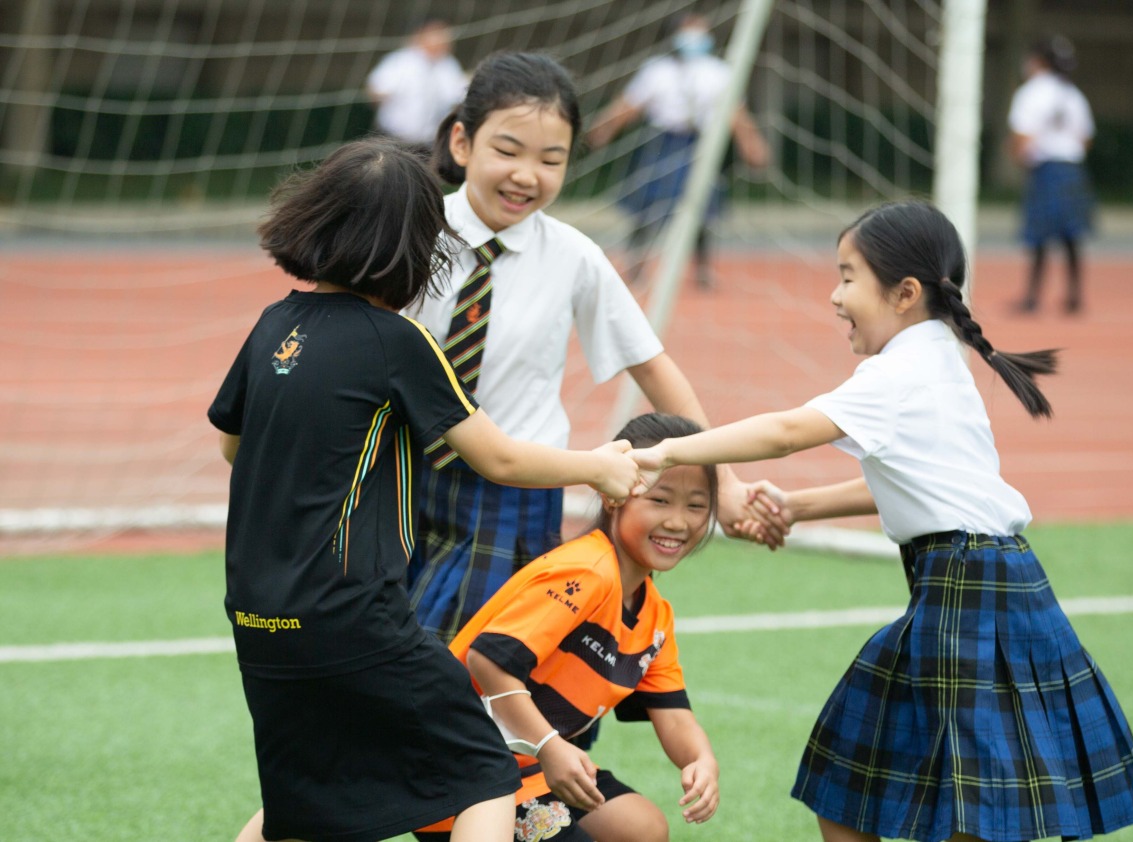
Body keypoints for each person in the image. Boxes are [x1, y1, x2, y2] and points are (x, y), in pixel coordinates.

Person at [630, 201, 1133, 842]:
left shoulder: (899, 373)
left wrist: (667, 451)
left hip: (968, 590)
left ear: (905, 293)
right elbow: (915, 484)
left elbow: (787, 431)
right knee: (855, 776)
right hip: (977, 583)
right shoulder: (939, 361)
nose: (835, 295)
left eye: (848, 276)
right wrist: (796, 506)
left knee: (962, 805)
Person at [210, 136, 645, 842]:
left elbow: (234, 447)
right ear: (415, 251)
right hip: (355, 617)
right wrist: (598, 467)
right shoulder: (398, 340)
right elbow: (499, 458)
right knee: (486, 774)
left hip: (259, 620)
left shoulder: (271, 327)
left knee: (301, 809)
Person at [403, 50, 785, 646]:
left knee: (494, 669)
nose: (527, 175)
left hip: (515, 497)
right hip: (399, 479)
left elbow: (653, 367)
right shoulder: (408, 231)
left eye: (550, 159)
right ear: (461, 142)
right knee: (386, 660)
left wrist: (724, 479)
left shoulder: (574, 256)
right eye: (508, 150)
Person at [415, 412, 720, 842]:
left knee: (642, 828)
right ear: (613, 496)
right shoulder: (587, 570)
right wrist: (548, 746)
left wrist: (701, 759)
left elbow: (674, 715)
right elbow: (488, 660)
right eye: (660, 499)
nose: (678, 521)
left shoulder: (655, 614)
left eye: (696, 506)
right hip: (460, 764)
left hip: (530, 764)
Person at [585, 12, 770, 289]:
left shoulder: (719, 72)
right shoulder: (656, 70)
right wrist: (603, 129)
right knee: (648, 206)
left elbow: (736, 113)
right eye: (688, 30)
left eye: (700, 30)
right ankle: (636, 262)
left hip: (700, 144)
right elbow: (628, 106)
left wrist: (752, 144)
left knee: (701, 206)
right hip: (663, 142)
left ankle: (702, 269)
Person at [1007, 34, 1095, 314]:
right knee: (1072, 237)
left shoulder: (1030, 92)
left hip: (1045, 169)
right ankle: (1074, 296)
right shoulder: (1073, 93)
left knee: (1039, 237)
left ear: (1037, 61)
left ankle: (1032, 297)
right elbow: (1086, 137)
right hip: (1072, 168)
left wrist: (1020, 157)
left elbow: (1021, 135)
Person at [366, 18, 469, 155]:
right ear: (420, 35)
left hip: (430, 142)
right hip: (394, 138)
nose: (443, 40)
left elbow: (457, 95)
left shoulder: (449, 65)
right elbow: (375, 90)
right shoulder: (400, 60)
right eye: (436, 34)